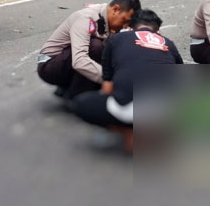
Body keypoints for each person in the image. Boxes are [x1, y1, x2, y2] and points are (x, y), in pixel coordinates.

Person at [72, 9, 183, 152]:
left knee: (82, 103)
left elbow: (107, 86)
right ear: (158, 30)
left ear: (130, 27)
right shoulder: (169, 44)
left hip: (127, 109)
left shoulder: (116, 40)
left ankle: (128, 132)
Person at [37, 0, 141, 100]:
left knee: (113, 49)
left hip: (67, 61)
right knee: (96, 47)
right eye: (124, 21)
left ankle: (69, 86)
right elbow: (79, 60)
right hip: (49, 66)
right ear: (115, 9)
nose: (124, 26)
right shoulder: (86, 19)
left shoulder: (107, 15)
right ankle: (78, 97)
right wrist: (111, 79)